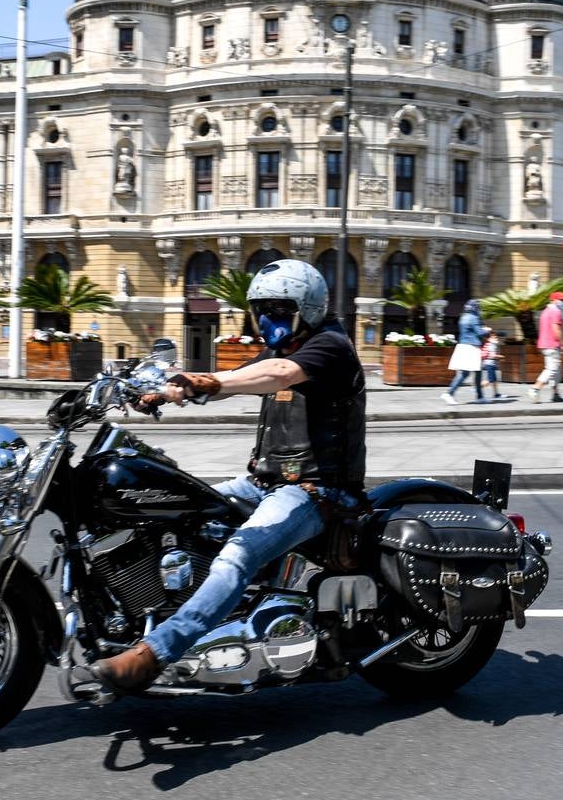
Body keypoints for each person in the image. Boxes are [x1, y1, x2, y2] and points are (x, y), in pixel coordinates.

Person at [87, 259, 366, 694]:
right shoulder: (283, 348)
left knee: (237, 554)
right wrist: (161, 390)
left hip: (314, 490)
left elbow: (274, 377)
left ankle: (156, 652)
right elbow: (239, 378)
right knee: (170, 510)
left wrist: (204, 381)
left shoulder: (330, 347)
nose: (269, 319)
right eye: (263, 310)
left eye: (279, 309)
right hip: (262, 483)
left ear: (307, 307)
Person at [442, 298, 486, 404]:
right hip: (471, 347)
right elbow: (479, 333)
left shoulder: (463, 317)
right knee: (465, 373)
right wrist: (486, 330)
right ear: (475, 308)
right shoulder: (474, 318)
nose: (479, 309)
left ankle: (480, 396)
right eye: (478, 307)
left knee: (477, 372)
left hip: (462, 346)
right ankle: (449, 393)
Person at [529, 291, 563, 402]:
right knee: (551, 369)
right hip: (552, 344)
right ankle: (535, 388)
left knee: (557, 370)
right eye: (562, 300)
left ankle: (555, 394)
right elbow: (556, 329)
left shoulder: (545, 311)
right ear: (554, 300)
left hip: (544, 344)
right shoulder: (556, 311)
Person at [481, 328, 504, 401]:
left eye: (496, 337)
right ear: (489, 339)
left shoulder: (490, 344)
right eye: (494, 337)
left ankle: (496, 394)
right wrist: (501, 356)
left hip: (489, 364)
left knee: (494, 381)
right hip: (490, 364)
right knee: (489, 381)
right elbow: (492, 356)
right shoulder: (492, 345)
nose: (496, 338)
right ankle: (478, 388)